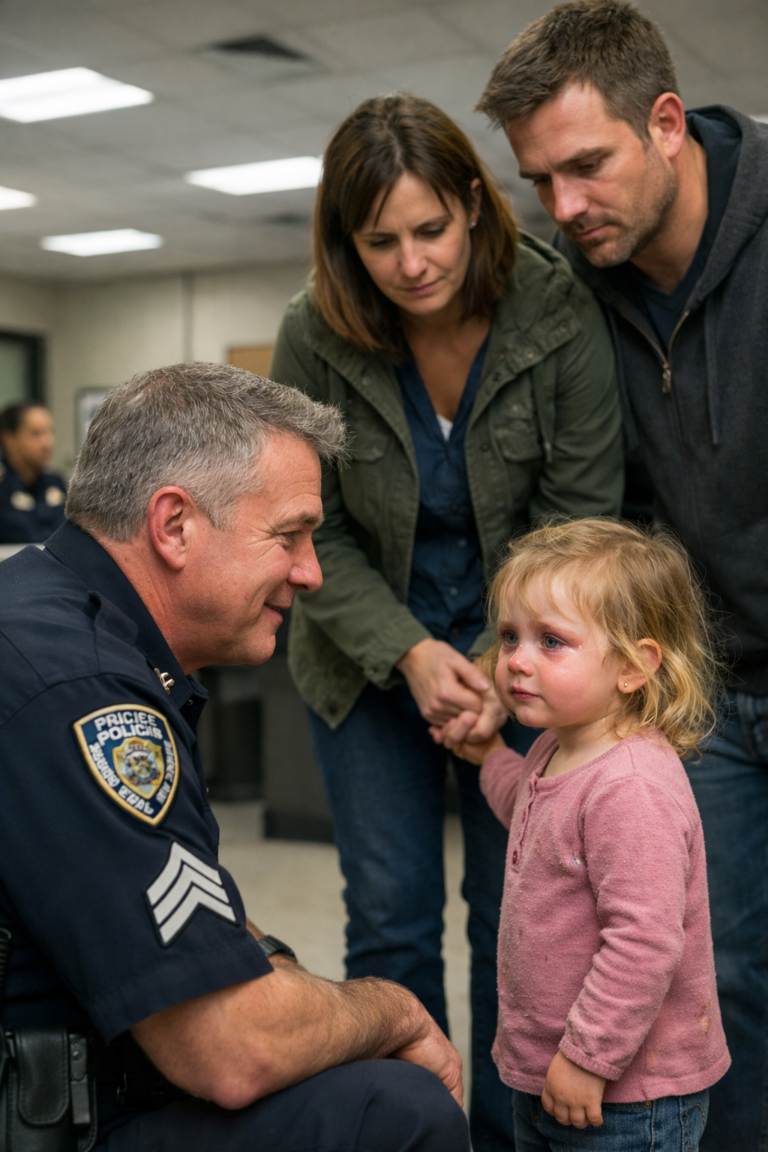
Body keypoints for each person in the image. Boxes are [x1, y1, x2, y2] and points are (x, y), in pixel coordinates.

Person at [270, 93, 623, 1151]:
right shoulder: (311, 333)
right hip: (363, 659)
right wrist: (413, 653)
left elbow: (580, 519)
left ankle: (510, 1140)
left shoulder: (558, 312)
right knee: (391, 919)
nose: (412, 263)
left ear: (474, 205)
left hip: (527, 656)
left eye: (431, 229)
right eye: (380, 241)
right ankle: (412, 1137)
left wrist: (488, 664)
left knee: (521, 926)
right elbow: (309, 533)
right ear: (347, 242)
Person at [0, 362, 469, 1152]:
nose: (311, 571)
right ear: (174, 525)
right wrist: (394, 1008)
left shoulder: (54, 621)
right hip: (37, 1111)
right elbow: (228, 1048)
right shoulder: (81, 692)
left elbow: (184, 907)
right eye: (289, 535)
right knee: (396, 1107)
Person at [477, 4, 768, 1147]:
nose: (564, 207)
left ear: (664, 123)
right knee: (727, 976)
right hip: (699, 686)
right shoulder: (570, 280)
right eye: (538, 179)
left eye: (586, 166)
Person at [444, 518, 730, 1151]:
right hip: (551, 1073)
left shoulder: (632, 787)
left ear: (633, 666)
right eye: (511, 636)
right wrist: (489, 753)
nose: (516, 660)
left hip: (625, 1096)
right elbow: (529, 805)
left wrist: (586, 1058)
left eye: (551, 641)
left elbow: (644, 942)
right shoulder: (557, 746)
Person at [0, 401, 67, 542]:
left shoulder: (54, 480)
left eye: (49, 432)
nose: (47, 443)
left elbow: (67, 532)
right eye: (36, 434)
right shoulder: (3, 484)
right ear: (9, 440)